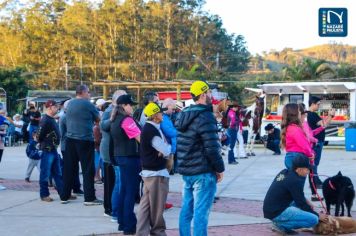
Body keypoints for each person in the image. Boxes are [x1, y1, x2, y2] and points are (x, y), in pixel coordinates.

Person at [175, 80, 225, 236]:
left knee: (187, 210)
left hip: (187, 171)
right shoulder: (205, 116)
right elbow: (212, 147)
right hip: (202, 171)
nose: (211, 95)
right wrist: (219, 168)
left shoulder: (183, 114)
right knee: (201, 213)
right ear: (203, 94)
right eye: (209, 92)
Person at [263, 154, 328, 234]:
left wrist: (308, 203)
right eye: (307, 169)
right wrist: (318, 215)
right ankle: (281, 225)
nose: (308, 172)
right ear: (300, 169)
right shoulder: (295, 181)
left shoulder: (285, 172)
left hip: (270, 209)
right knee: (313, 219)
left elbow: (299, 196)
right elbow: (301, 203)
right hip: (277, 212)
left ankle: (279, 222)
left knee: (305, 207)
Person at [61, 85, 102, 205]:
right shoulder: (88, 104)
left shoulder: (70, 104)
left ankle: (64, 196)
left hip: (70, 140)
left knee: (69, 169)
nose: (89, 95)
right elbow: (98, 119)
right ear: (83, 92)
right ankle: (89, 198)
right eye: (88, 92)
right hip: (84, 139)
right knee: (88, 169)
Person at [136, 102, 172, 236]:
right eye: (160, 112)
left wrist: (162, 151)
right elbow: (166, 150)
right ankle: (158, 232)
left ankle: (141, 232)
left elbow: (162, 150)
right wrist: (164, 151)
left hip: (149, 172)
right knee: (157, 207)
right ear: (155, 115)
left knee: (145, 207)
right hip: (156, 174)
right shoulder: (151, 130)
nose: (162, 114)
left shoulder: (149, 128)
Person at [110, 94, 141, 235]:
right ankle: (129, 225)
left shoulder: (115, 119)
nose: (132, 107)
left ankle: (122, 221)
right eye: (130, 104)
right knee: (130, 191)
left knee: (124, 190)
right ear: (123, 106)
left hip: (120, 157)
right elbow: (140, 138)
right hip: (129, 158)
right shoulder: (127, 120)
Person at [100, 90, 127, 220]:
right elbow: (103, 126)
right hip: (108, 152)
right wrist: (112, 119)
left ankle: (113, 206)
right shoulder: (109, 111)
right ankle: (108, 208)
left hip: (115, 150)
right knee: (110, 182)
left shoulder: (119, 111)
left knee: (115, 181)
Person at [36, 100, 64, 202]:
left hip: (53, 150)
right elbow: (39, 136)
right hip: (47, 150)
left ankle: (63, 194)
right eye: (55, 107)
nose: (57, 108)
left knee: (58, 173)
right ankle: (44, 195)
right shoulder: (45, 120)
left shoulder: (51, 119)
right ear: (50, 107)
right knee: (45, 174)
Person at [307, 96, 335, 187]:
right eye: (318, 104)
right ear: (312, 104)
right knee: (314, 162)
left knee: (315, 162)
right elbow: (324, 124)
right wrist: (330, 116)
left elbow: (322, 123)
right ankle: (314, 182)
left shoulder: (312, 114)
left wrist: (330, 116)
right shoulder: (311, 114)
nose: (319, 106)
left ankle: (316, 180)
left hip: (318, 141)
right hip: (317, 141)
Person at [58, 99, 83, 195]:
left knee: (75, 167)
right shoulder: (64, 117)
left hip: (70, 145)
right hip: (66, 146)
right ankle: (69, 189)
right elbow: (63, 133)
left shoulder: (68, 116)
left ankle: (76, 187)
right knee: (70, 168)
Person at [280, 103, 314, 169]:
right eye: (299, 111)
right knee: (298, 179)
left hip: (292, 157)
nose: (300, 113)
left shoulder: (290, 127)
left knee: (294, 178)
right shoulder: (295, 129)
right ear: (294, 114)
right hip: (297, 158)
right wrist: (311, 154)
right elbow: (305, 145)